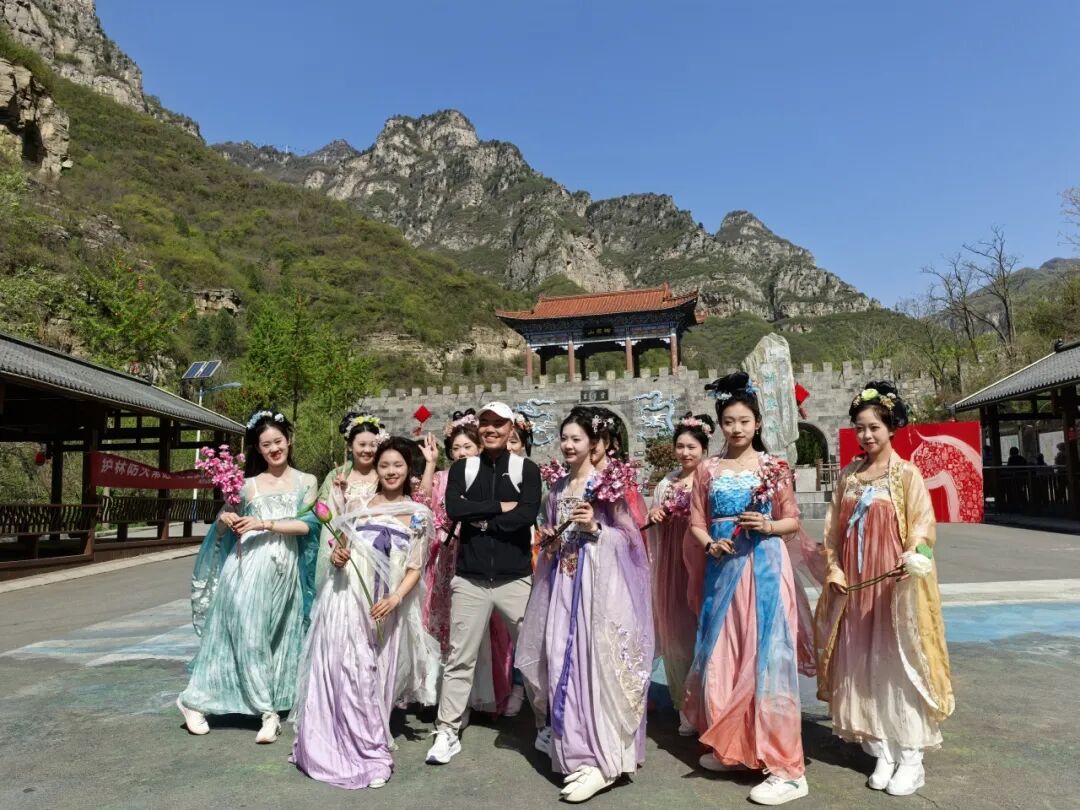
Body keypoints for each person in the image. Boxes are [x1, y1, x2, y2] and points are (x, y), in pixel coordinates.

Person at [814, 383, 954, 797]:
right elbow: (832, 533)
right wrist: (834, 568)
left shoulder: (906, 474)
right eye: (860, 428)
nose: (867, 435)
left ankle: (911, 755)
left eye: (874, 427)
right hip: (856, 587)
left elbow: (923, 526)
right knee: (862, 663)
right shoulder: (849, 477)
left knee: (898, 665)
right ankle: (882, 749)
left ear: (891, 428)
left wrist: (915, 555)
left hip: (894, 586)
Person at [685, 372, 811, 806]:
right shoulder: (708, 469)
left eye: (744, 421)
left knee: (767, 659)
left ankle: (787, 769)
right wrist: (709, 543)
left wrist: (769, 525)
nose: (736, 428)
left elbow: (792, 520)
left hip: (764, 571)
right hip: (722, 572)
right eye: (728, 421)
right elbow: (696, 521)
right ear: (720, 424)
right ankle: (736, 747)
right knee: (723, 656)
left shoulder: (774, 467)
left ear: (757, 423)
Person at [517, 409, 653, 803]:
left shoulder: (607, 485)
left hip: (601, 589)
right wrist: (550, 541)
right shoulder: (558, 488)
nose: (568, 445)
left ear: (594, 443)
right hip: (564, 585)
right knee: (561, 659)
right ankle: (576, 753)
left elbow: (631, 540)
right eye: (564, 438)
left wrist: (596, 529)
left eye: (576, 439)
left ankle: (602, 759)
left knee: (595, 665)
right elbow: (553, 538)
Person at [291, 436, 438, 789]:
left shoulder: (418, 514)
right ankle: (363, 751)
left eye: (398, 465)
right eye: (384, 465)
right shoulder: (358, 503)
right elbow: (340, 549)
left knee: (374, 675)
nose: (390, 471)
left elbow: (415, 567)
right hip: (345, 600)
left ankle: (368, 743)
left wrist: (396, 599)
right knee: (348, 671)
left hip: (384, 607)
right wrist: (338, 556)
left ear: (408, 470)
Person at [178, 410, 320, 743]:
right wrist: (227, 519)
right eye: (266, 444)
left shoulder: (306, 481)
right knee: (248, 637)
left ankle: (266, 702)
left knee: (279, 638)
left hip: (286, 572)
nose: (274, 449)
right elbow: (224, 523)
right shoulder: (247, 485)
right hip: (246, 570)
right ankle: (259, 712)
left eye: (278, 441)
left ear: (289, 440)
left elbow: (308, 526)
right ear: (257, 448)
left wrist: (264, 523)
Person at [426, 401, 543, 765]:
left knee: (532, 658)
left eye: (499, 423)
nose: (491, 429)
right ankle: (447, 729)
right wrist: (501, 506)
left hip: (515, 578)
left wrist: (481, 518)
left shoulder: (526, 469)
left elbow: (526, 514)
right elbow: (455, 510)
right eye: (486, 422)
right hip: (470, 578)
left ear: (511, 429)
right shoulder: (464, 468)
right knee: (459, 659)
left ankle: (546, 725)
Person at [419, 411, 514, 718]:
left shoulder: (488, 476)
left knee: (473, 627)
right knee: (440, 623)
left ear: (479, 448)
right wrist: (430, 464)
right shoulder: (441, 478)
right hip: (444, 560)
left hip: (475, 557)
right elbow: (422, 503)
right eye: (456, 448)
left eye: (468, 447)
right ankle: (436, 694)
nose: (461, 452)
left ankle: (476, 696)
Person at [647, 412, 713, 737]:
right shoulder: (666, 482)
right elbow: (652, 519)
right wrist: (654, 513)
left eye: (691, 447)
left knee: (706, 632)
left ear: (704, 449)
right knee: (678, 636)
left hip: (703, 561)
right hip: (673, 565)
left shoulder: (710, 478)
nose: (685, 453)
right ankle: (684, 703)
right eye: (680, 446)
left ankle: (708, 702)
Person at [313, 412, 385, 588]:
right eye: (362, 444)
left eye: (373, 445)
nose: (367, 450)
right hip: (344, 551)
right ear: (350, 446)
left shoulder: (385, 476)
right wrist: (339, 494)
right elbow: (326, 517)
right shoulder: (337, 475)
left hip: (377, 549)